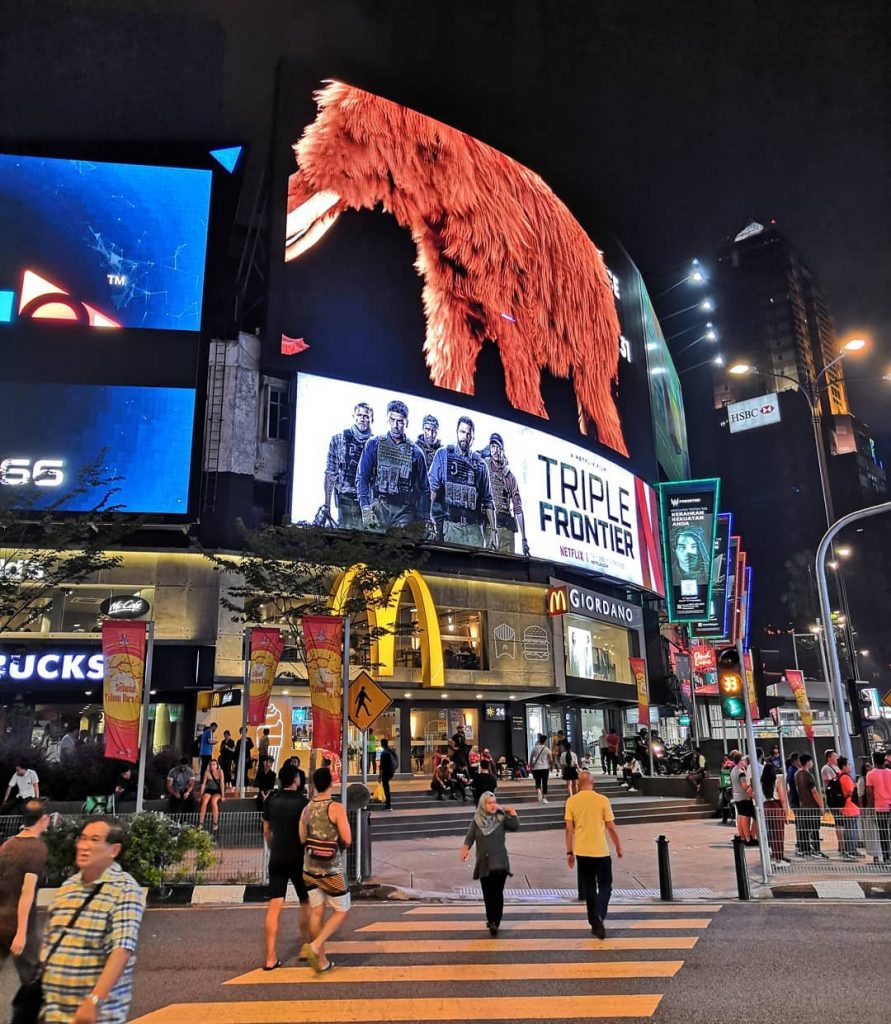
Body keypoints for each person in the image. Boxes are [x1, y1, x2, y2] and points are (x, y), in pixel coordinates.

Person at [41, 818, 145, 1024]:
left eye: (95, 840)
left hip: (96, 1015)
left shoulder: (125, 889)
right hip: (54, 1012)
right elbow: (49, 938)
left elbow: (122, 948)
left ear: (113, 850)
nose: (84, 845)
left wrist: (93, 1001)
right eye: (82, 838)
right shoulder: (68, 886)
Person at [0, 799, 51, 1024]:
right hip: (23, 927)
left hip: (1, 921)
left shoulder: (8, 845)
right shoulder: (37, 848)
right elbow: (27, 891)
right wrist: (21, 932)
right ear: (44, 819)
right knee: (34, 981)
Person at [299, 767, 352, 974]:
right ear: (331, 784)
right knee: (342, 909)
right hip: (332, 870)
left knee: (317, 912)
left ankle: (321, 961)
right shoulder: (336, 807)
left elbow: (302, 838)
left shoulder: (307, 809)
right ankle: (315, 945)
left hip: (309, 869)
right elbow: (347, 839)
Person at [262, 763, 310, 970]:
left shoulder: (271, 801)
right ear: (296, 780)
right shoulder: (304, 803)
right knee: (305, 902)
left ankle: (270, 957)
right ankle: (305, 947)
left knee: (274, 906)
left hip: (277, 858)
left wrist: (274, 847)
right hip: (299, 858)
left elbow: (266, 831)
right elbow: (307, 832)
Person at [565, 771, 623, 939]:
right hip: (601, 851)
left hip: (582, 852)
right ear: (593, 783)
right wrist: (618, 846)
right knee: (605, 885)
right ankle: (599, 914)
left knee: (589, 886)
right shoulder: (602, 800)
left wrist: (569, 852)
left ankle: (594, 921)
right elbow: (611, 827)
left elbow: (569, 829)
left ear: (577, 784)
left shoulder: (571, 802)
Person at [356, 399, 429, 528]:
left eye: (400, 421)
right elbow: (362, 477)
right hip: (379, 506)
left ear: (406, 423)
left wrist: (425, 518)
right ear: (387, 419)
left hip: (405, 511)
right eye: (392, 419)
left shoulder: (416, 453)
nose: (395, 425)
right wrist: (366, 510)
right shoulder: (374, 444)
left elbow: (425, 489)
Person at [427, 415, 497, 547]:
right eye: (462, 432)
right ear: (457, 432)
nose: (465, 436)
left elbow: (488, 501)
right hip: (452, 526)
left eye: (469, 434)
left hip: (475, 529)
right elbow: (432, 488)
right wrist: (428, 516)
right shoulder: (443, 455)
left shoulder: (480, 464)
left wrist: (494, 531)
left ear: (473, 437)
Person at [460, 792, 519, 936]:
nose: (493, 805)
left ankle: (495, 921)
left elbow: (515, 826)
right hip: (484, 863)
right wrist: (465, 849)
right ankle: (490, 918)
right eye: (489, 803)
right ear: (482, 805)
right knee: (487, 893)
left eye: (494, 802)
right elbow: (470, 836)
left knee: (497, 893)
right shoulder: (477, 820)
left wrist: (512, 813)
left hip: (500, 863)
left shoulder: (501, 818)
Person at [322, 401, 374, 528]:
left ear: (371, 420)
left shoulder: (376, 444)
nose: (362, 419)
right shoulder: (339, 440)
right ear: (354, 416)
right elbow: (331, 473)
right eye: (359, 415)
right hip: (345, 496)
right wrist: (326, 506)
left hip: (368, 501)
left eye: (366, 416)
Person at [481, 432, 530, 555]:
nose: (495, 451)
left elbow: (518, 508)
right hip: (488, 527)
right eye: (493, 447)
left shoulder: (509, 477)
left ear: (502, 449)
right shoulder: (484, 467)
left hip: (506, 529)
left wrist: (524, 539)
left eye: (498, 447)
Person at [759, 748, 789, 867]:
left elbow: (751, 791)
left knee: (770, 833)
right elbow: (782, 798)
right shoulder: (776, 782)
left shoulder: (760, 782)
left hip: (765, 807)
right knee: (779, 833)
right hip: (776, 807)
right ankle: (778, 858)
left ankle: (772, 856)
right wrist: (785, 813)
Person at [794, 753, 826, 858]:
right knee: (815, 829)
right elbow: (814, 792)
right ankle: (816, 850)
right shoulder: (809, 776)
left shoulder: (797, 774)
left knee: (805, 829)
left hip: (803, 806)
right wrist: (821, 805)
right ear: (808, 762)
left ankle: (806, 849)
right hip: (812, 806)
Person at [865, 750, 891, 863]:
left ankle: (886, 855)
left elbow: (870, 794)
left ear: (874, 761)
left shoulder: (870, 774)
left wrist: (869, 808)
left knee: (883, 831)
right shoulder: (890, 772)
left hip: (880, 807)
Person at [729, 752, 757, 845]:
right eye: (743, 760)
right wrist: (751, 785)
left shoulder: (733, 770)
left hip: (736, 796)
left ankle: (742, 836)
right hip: (744, 797)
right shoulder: (741, 772)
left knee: (741, 815)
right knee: (749, 816)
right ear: (740, 761)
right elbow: (744, 786)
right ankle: (749, 837)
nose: (745, 762)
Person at [835, 756, 861, 859]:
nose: (851, 766)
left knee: (851, 829)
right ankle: (850, 850)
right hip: (849, 807)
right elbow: (851, 792)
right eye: (849, 764)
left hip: (850, 807)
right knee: (851, 830)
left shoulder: (842, 776)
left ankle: (852, 850)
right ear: (844, 766)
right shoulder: (845, 778)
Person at [198, 758, 225, 836]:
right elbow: (203, 784)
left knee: (213, 802)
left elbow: (222, 783)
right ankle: (201, 823)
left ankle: (215, 823)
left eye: (213, 764)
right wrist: (201, 794)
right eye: (210, 764)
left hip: (217, 790)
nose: (212, 766)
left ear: (217, 765)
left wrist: (223, 796)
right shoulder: (207, 772)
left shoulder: (220, 771)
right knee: (204, 802)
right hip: (209, 790)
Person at [529, 733, 552, 803]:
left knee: (537, 782)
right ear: (545, 741)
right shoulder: (548, 750)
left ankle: (539, 790)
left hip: (536, 768)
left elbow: (531, 759)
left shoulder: (534, 748)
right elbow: (551, 760)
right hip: (545, 768)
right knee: (545, 783)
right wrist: (550, 766)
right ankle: (544, 798)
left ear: (539, 741)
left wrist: (531, 767)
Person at [378, 738, 398, 811]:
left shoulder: (384, 753)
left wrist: (380, 776)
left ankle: (388, 805)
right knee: (386, 786)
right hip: (391, 771)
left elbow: (382, 766)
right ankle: (388, 803)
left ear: (382, 744)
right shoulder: (392, 751)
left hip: (386, 771)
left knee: (386, 787)